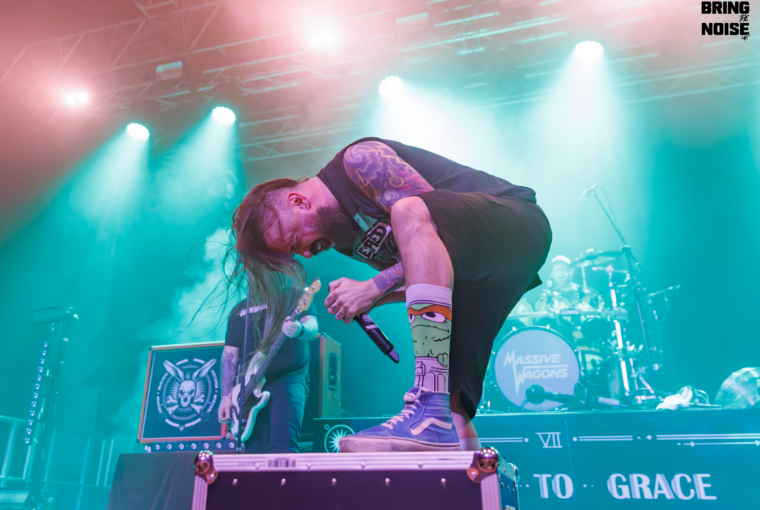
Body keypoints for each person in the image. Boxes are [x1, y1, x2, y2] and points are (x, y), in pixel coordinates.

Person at [230, 137, 551, 452]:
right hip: (478, 270)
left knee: (409, 208)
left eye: (295, 240)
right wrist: (373, 298)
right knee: (453, 406)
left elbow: (432, 223)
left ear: (298, 201)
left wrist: (371, 288)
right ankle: (464, 467)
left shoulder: (359, 161)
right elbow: (427, 266)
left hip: (515, 223)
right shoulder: (343, 237)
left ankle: (426, 404)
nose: (306, 253)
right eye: (295, 253)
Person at [217, 293, 319, 453]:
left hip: (286, 379)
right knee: (255, 454)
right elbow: (230, 355)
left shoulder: (294, 295)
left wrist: (300, 329)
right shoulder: (239, 309)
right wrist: (226, 396)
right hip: (249, 390)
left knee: (283, 449)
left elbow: (312, 326)